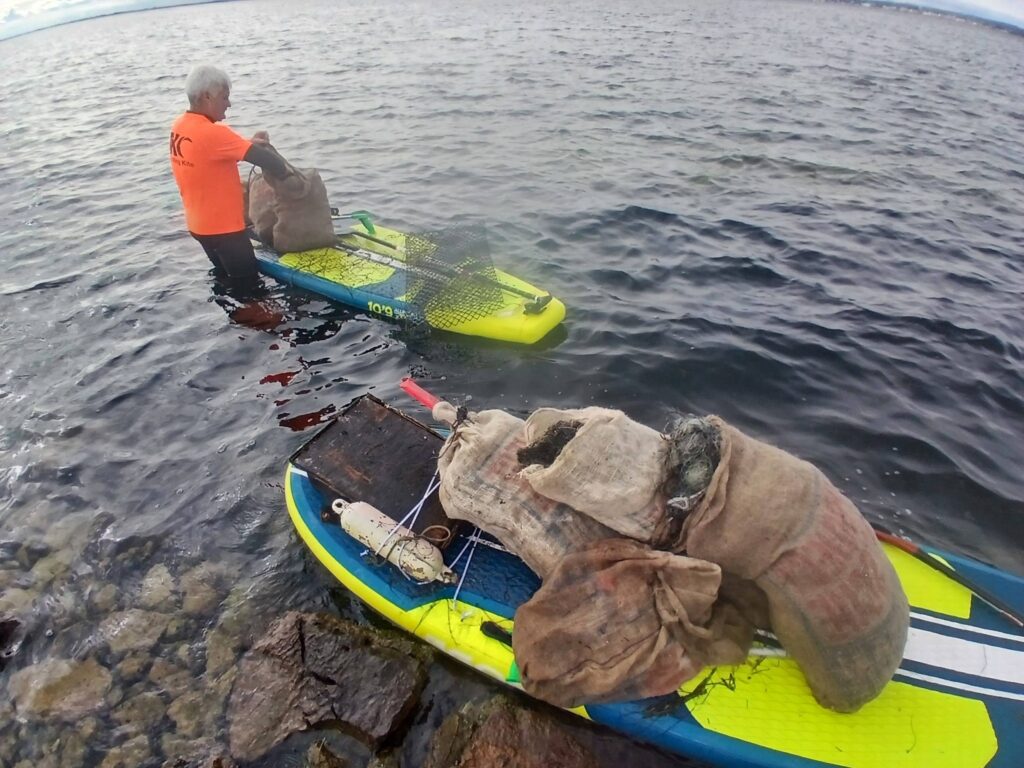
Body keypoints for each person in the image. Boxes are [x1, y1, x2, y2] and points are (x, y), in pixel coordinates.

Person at [169, 64, 291, 293]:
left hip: (199, 228)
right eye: (224, 97)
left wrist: (247, 144)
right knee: (250, 292)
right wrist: (291, 181)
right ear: (207, 96)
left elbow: (208, 158)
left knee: (227, 283)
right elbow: (273, 164)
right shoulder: (214, 133)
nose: (229, 103)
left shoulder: (180, 126)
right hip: (225, 233)